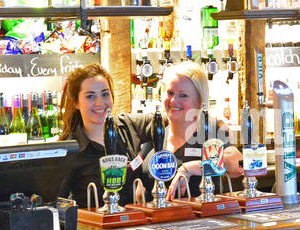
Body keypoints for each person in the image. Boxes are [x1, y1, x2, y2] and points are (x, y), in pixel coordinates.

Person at [123, 61, 243, 199]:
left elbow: (236, 164)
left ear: (199, 101)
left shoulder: (209, 132)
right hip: (157, 217)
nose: (173, 100)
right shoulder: (157, 132)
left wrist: (190, 168)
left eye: (183, 95)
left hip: (199, 218)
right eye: (170, 93)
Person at [56, 64, 143, 208]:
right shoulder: (68, 149)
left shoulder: (128, 126)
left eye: (105, 94)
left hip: (136, 226)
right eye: (90, 96)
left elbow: (173, 117)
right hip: (94, 228)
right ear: (76, 102)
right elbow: (58, 203)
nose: (100, 102)